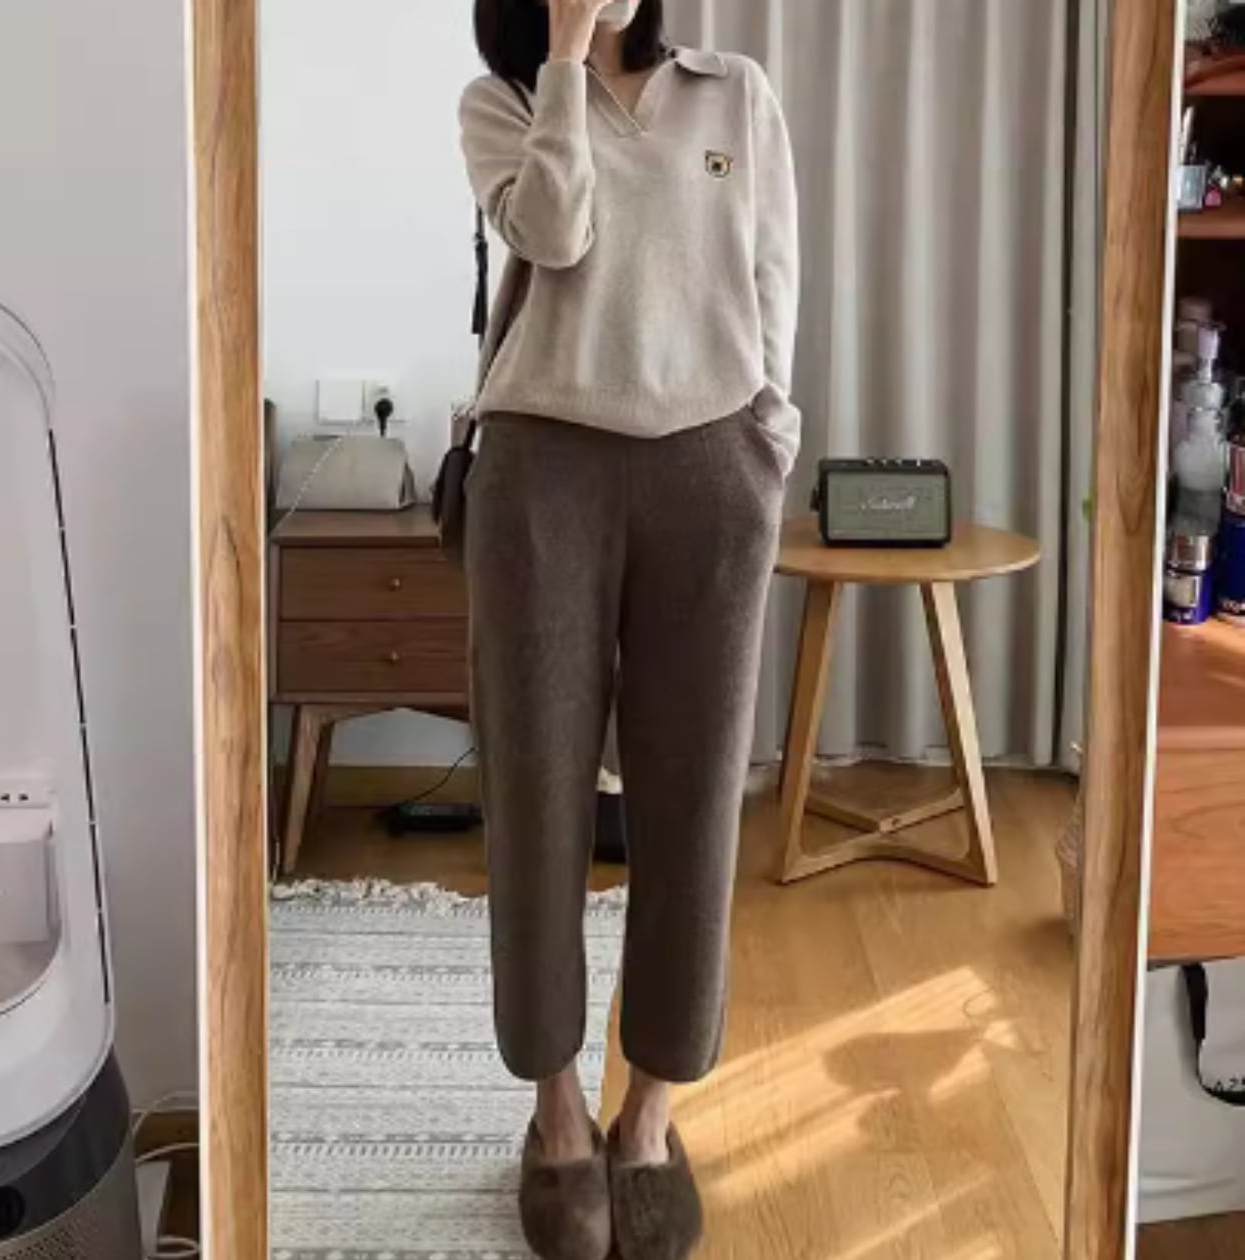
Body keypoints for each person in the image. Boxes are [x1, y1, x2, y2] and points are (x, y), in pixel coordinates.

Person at [460, 0, 799, 1255]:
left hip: (710, 467)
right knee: (536, 794)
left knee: (694, 797)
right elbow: (556, 230)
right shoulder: (500, 103)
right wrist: (562, 58)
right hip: (541, 470)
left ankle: (650, 1113)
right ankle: (556, 1114)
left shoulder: (733, 93)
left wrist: (770, 434)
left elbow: (773, 274)